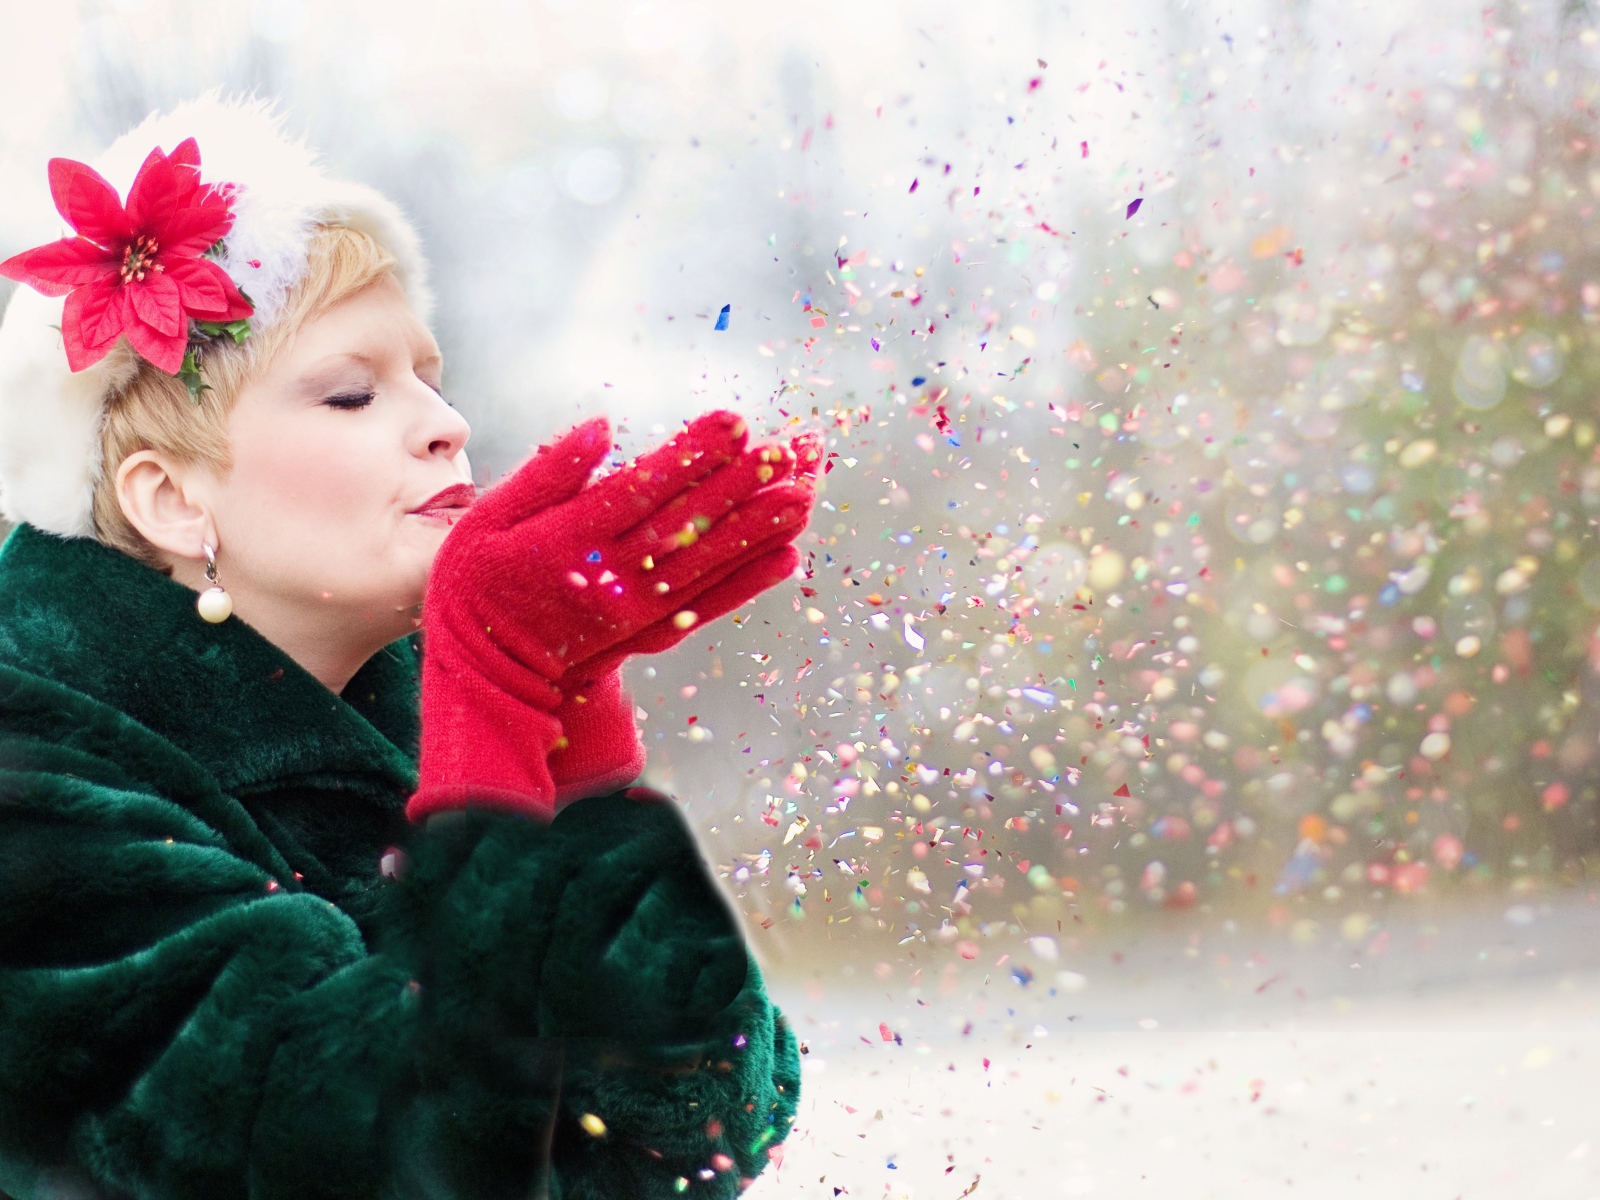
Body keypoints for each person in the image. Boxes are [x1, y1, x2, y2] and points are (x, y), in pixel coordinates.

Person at [0, 95, 813, 1200]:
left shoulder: (419, 725)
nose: (447, 422)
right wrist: (496, 711)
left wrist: (573, 733)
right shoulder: (31, 781)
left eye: (431, 375)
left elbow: (702, 1135)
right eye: (351, 390)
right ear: (172, 499)